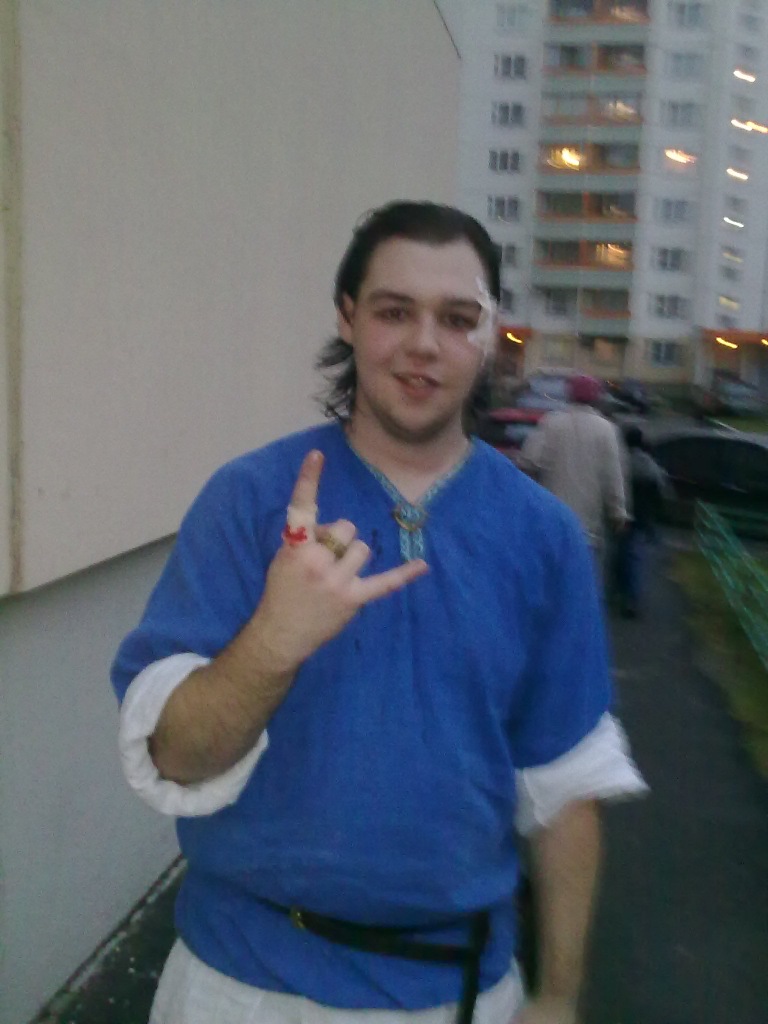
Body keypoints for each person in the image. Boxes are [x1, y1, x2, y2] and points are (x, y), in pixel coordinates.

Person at [111, 201, 646, 1024]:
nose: (424, 343)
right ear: (348, 318)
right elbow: (176, 759)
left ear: (488, 333)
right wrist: (273, 643)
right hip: (240, 987)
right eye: (395, 311)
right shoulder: (249, 500)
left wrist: (559, 995)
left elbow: (566, 786)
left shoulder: (543, 537)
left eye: (457, 318)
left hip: (459, 993)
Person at [517, 375, 629, 563]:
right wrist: (618, 513)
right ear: (597, 398)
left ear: (569, 395)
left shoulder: (551, 422)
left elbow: (528, 461)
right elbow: (613, 476)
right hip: (586, 529)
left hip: (551, 522)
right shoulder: (606, 429)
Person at [611, 424, 672, 619]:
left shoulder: (621, 462)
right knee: (634, 557)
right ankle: (631, 598)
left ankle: (620, 593)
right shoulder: (650, 465)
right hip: (643, 517)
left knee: (619, 555)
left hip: (622, 515)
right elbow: (662, 491)